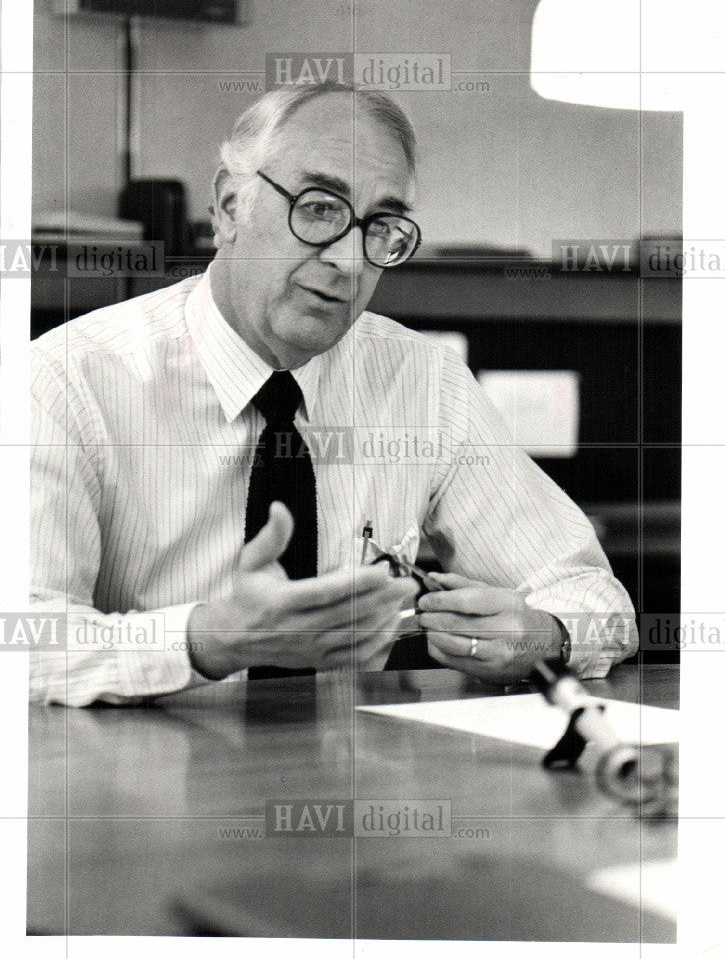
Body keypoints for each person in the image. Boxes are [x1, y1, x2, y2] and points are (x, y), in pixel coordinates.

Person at [30, 82, 637, 706]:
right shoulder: (68, 381)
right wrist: (209, 640)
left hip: (350, 780)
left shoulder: (424, 383)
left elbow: (592, 593)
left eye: (380, 226)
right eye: (319, 208)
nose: (350, 261)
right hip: (143, 785)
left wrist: (547, 635)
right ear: (229, 205)